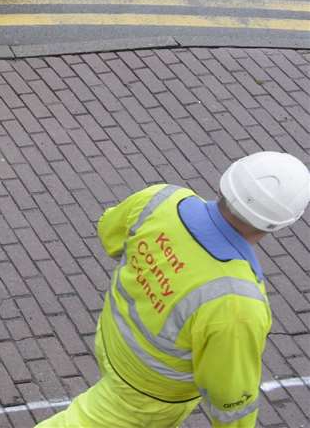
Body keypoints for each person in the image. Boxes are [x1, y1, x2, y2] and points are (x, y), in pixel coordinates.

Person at [38, 151, 310, 428]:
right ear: (282, 221)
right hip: (149, 394)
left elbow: (110, 232)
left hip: (111, 339)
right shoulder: (238, 304)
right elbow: (230, 397)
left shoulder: (160, 199)